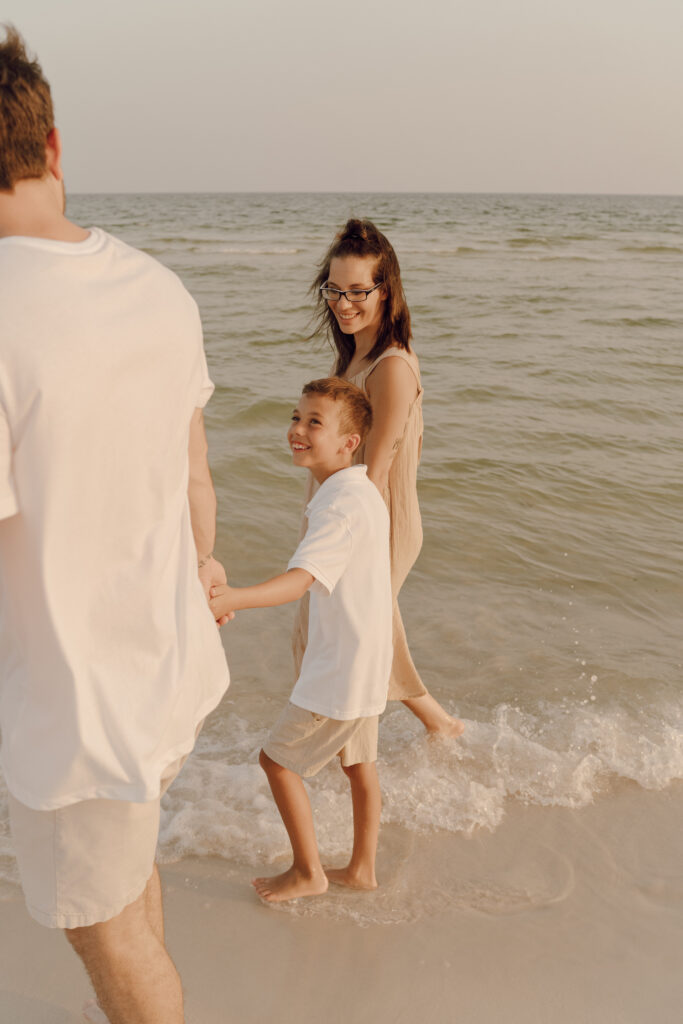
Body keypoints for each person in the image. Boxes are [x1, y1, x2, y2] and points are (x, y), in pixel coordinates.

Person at [0, 27, 230, 1024]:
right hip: (161, 676)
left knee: (113, 938)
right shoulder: (157, 288)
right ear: (54, 146)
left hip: (74, 710)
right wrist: (206, 568)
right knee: (130, 895)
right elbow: (194, 479)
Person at [210, 377, 392, 902]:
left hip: (340, 671)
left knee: (277, 761)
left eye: (315, 422)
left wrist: (231, 598)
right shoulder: (360, 491)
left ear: (348, 442)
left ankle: (308, 872)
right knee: (359, 763)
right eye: (296, 417)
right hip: (366, 661)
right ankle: (362, 868)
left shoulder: (338, 506)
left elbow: (301, 580)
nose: (297, 429)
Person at [292, 218, 465, 738]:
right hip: (344, 510)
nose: (343, 304)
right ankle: (437, 726)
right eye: (334, 290)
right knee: (357, 632)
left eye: (357, 291)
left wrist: (342, 534)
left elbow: (379, 464)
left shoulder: (391, 365)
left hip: (373, 518)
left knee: (345, 637)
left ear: (385, 292)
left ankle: (322, 749)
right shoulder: (355, 355)